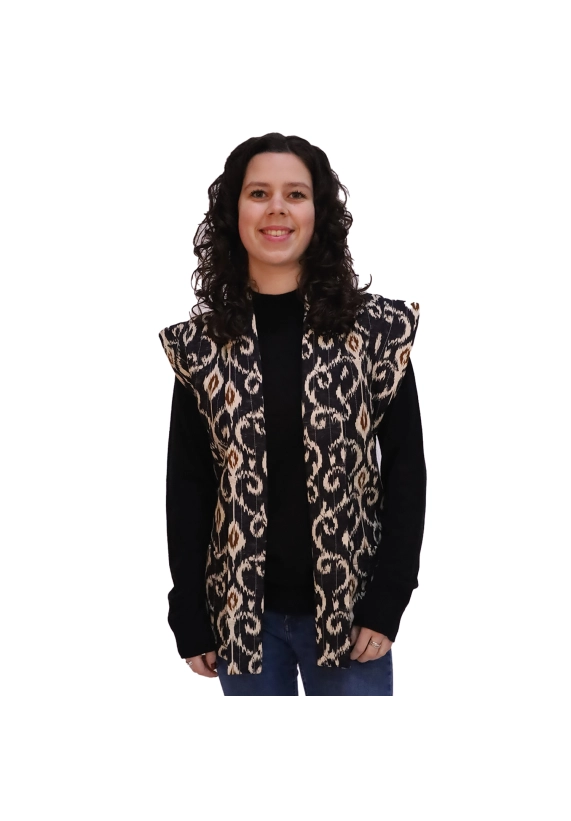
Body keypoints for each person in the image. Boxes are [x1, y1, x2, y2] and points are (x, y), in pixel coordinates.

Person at [159, 132, 426, 696]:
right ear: (234, 212)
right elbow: (188, 485)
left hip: (352, 616)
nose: (276, 208)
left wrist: (388, 601)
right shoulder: (202, 346)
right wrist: (188, 610)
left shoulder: (376, 333)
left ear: (318, 212)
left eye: (295, 194)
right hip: (241, 620)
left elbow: (406, 472)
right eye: (258, 193)